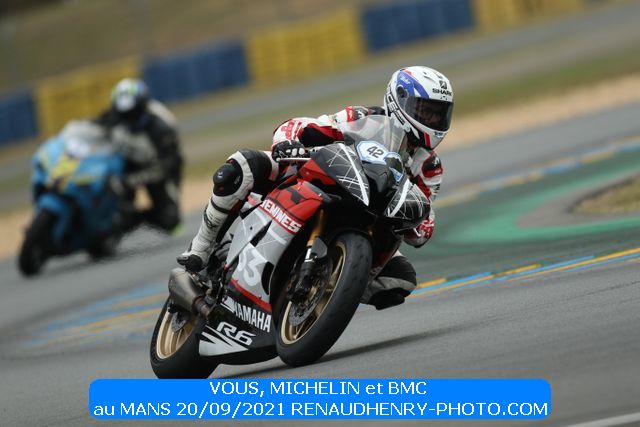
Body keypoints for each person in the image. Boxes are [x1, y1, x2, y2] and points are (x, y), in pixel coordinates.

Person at [178, 66, 454, 310]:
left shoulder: (430, 167)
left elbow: (425, 218)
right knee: (242, 165)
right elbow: (301, 125)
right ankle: (202, 248)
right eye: (426, 111)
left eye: (439, 114)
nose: (432, 120)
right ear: (400, 100)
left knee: (399, 280)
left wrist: (416, 224)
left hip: (372, 220)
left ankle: (326, 291)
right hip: (323, 181)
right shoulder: (363, 118)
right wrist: (287, 143)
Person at [95, 78, 184, 234]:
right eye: (124, 114)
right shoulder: (113, 115)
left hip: (159, 168)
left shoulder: (161, 126)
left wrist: (129, 181)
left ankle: (136, 218)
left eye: (133, 113)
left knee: (170, 221)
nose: (128, 118)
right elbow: (92, 129)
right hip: (126, 164)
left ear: (143, 106)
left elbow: (167, 166)